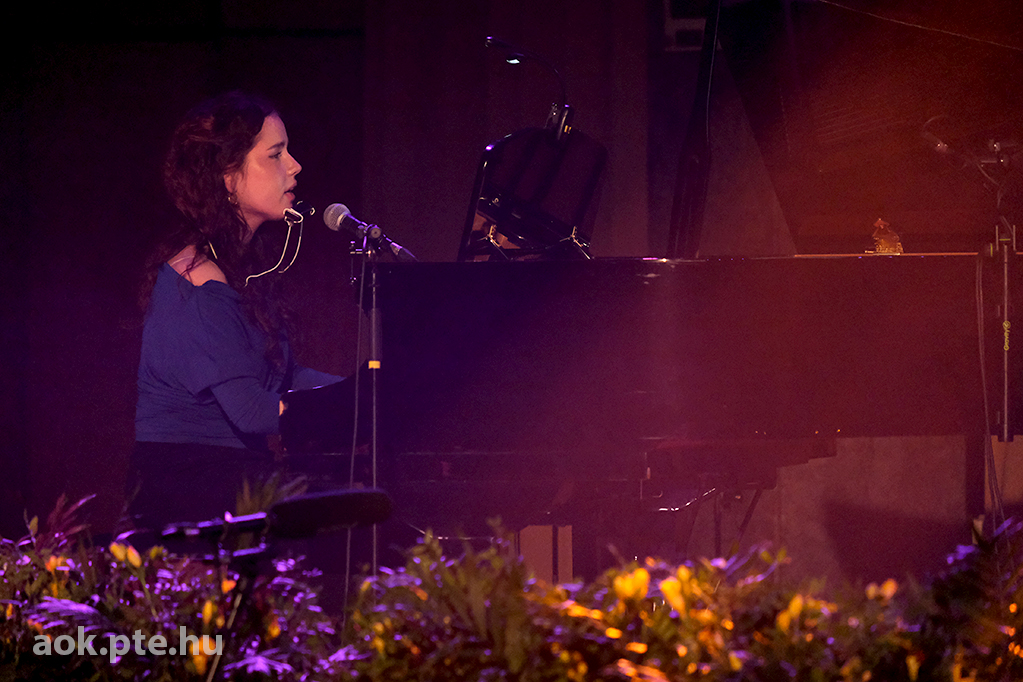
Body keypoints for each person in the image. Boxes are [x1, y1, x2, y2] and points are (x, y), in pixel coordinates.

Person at [128, 91, 340, 532]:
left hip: (232, 471)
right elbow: (251, 410)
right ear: (228, 176)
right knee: (343, 511)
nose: (295, 166)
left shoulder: (242, 270)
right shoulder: (197, 279)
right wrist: (345, 409)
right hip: (188, 480)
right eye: (276, 155)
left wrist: (368, 392)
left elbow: (284, 377)